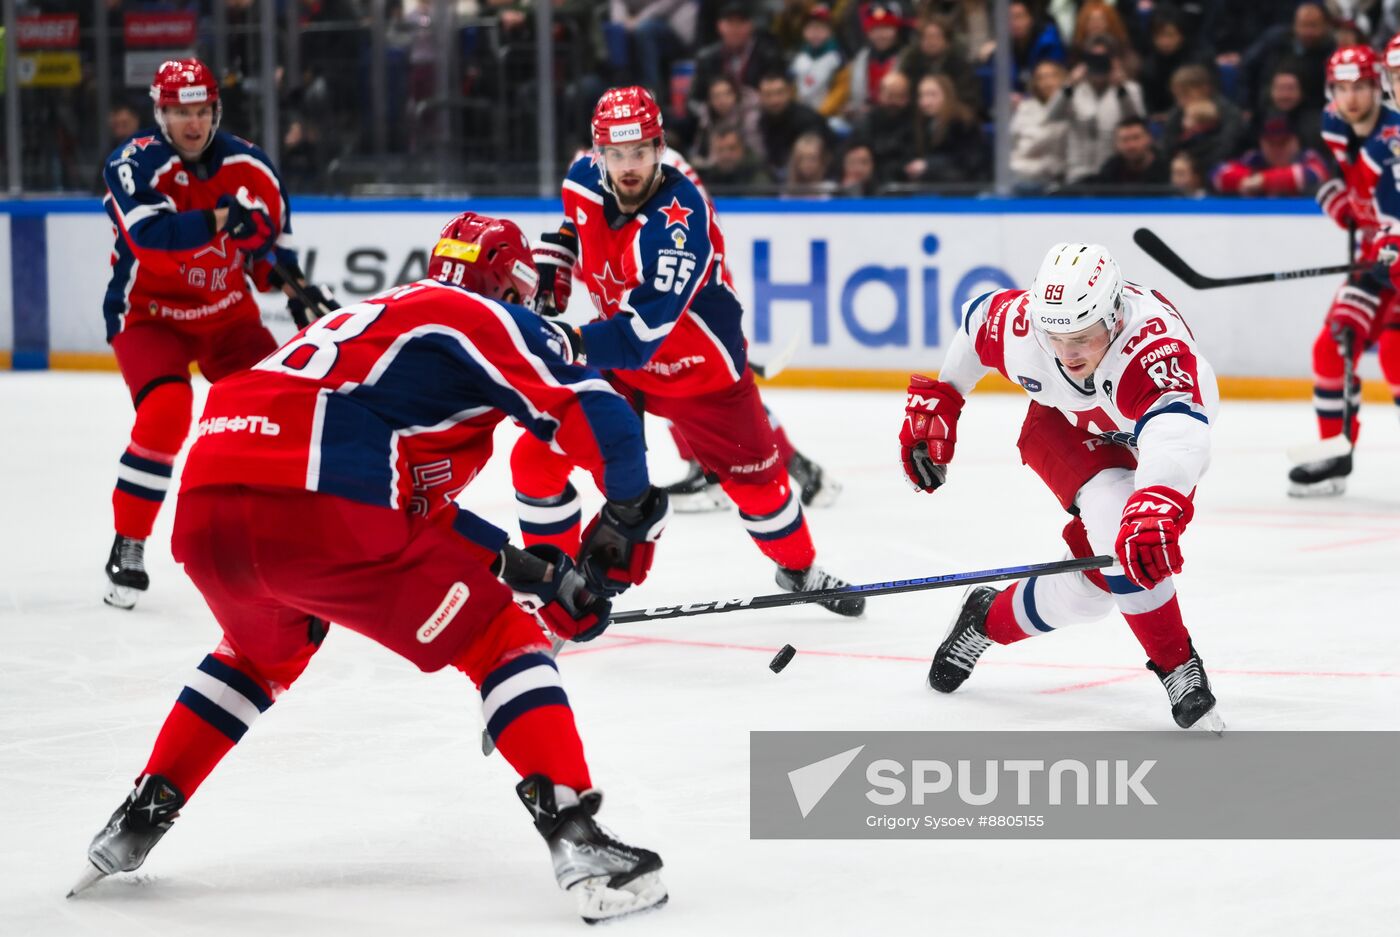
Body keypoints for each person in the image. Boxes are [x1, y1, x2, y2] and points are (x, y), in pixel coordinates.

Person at [69, 212, 670, 925]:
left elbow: (400, 510)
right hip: (320, 488)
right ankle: (578, 840)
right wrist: (631, 513)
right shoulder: (476, 315)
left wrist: (529, 570)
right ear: (505, 284)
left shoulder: (381, 326)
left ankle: (139, 815)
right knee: (498, 639)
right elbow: (593, 404)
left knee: (262, 652)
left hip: (211, 502)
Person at [516, 86, 863, 616]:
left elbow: (637, 339)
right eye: (616, 154)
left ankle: (798, 570)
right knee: (536, 457)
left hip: (697, 372)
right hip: (619, 366)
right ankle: (551, 585)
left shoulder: (678, 226)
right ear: (598, 155)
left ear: (660, 149)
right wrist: (555, 262)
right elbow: (572, 225)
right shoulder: (581, 180)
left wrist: (563, 338)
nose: (628, 167)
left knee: (762, 491)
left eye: (639, 153)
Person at [901, 242, 1223, 730]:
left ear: (1114, 316)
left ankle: (984, 619)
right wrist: (945, 398)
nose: (1069, 354)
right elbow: (975, 323)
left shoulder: (1152, 349)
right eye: (1057, 336)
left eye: (1084, 337)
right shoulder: (1024, 326)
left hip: (1157, 440)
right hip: (1061, 426)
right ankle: (1179, 666)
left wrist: (1158, 498)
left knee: (1093, 592)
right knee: (1118, 523)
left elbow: (1176, 431)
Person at [100, 58, 337, 610]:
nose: (193, 123)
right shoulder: (134, 164)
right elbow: (152, 236)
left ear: (216, 110)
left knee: (280, 411)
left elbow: (263, 251)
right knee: (165, 412)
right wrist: (221, 219)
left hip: (228, 318)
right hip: (149, 316)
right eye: (180, 111)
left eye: (202, 110)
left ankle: (283, 538)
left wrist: (291, 282)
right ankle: (129, 541)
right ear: (160, 112)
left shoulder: (252, 167)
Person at [1293, 45, 1400, 496]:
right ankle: (1334, 452)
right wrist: (1342, 203)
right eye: (1342, 88)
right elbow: (1369, 198)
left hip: (1390, 253)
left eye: (1361, 87)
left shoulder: (1390, 137)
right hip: (1380, 258)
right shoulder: (1337, 126)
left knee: (1396, 352)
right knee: (1333, 344)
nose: (1352, 98)